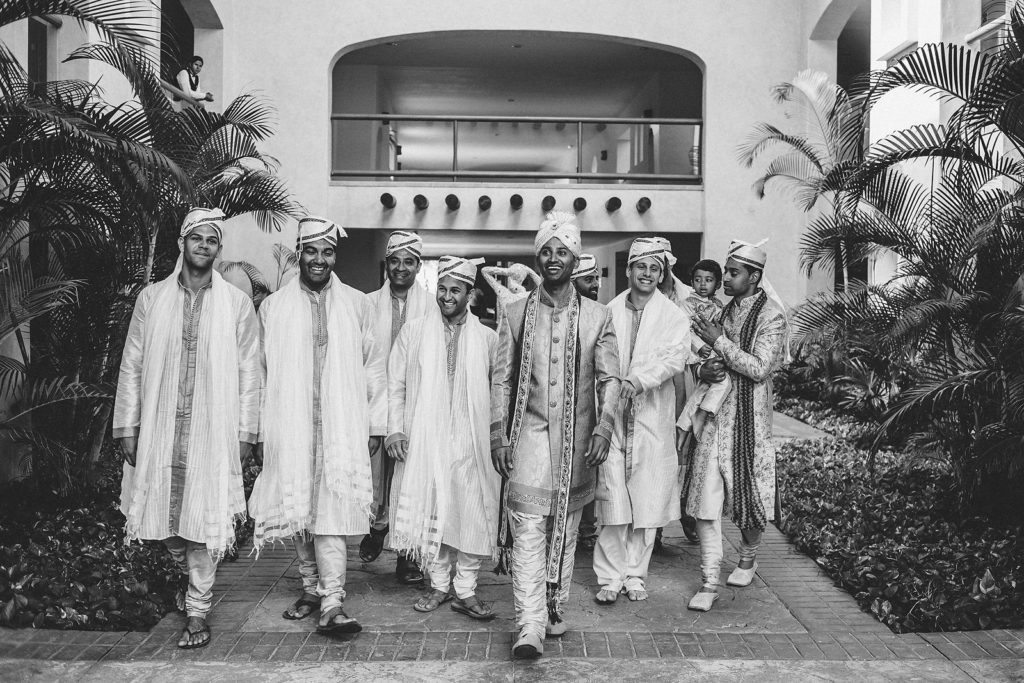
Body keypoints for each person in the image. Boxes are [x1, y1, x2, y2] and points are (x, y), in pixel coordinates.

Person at [113, 207, 260, 649]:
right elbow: (133, 362)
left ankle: (198, 609)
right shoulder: (151, 298)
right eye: (196, 238)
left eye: (211, 240)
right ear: (183, 242)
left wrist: (246, 432)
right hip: (159, 425)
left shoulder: (236, 302)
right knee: (166, 524)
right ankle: (189, 578)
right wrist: (127, 423)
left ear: (219, 249)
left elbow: (250, 370)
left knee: (202, 520)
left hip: (211, 430)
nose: (203, 246)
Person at [491, 212, 620, 659]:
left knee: (563, 527)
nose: (552, 259)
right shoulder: (514, 312)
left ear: (574, 257)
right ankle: (528, 624)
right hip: (527, 436)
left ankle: (553, 605)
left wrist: (604, 427)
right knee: (528, 526)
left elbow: (610, 380)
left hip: (578, 440)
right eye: (545, 251)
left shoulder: (598, 316)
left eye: (561, 252)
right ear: (537, 256)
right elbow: (502, 381)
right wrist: (498, 436)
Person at [249, 216, 386, 634]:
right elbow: (260, 372)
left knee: (331, 512)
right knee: (299, 507)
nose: (320, 259)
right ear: (299, 252)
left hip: (341, 424)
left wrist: (375, 424)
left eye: (327, 251)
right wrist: (259, 430)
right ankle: (311, 587)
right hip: (289, 423)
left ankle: (332, 600)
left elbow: (374, 367)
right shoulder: (273, 307)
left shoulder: (358, 304)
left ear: (334, 256)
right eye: (312, 251)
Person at [387, 256, 500, 621]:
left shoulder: (487, 338)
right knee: (435, 508)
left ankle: (465, 589)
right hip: (426, 436)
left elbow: (500, 392)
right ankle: (438, 584)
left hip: (472, 439)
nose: (447, 296)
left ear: (471, 294)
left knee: (471, 512)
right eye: (443, 288)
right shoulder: (414, 332)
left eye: (456, 290)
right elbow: (396, 385)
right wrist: (395, 428)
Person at [680, 239, 789, 612]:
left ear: (754, 277)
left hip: (749, 424)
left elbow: (759, 368)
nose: (724, 278)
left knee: (750, 497)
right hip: (715, 419)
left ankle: (748, 555)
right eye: (725, 271)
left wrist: (720, 343)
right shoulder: (723, 312)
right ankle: (709, 580)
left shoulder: (772, 316)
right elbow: (712, 357)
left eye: (732, 272)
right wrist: (704, 366)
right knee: (706, 502)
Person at [594, 238, 690, 604]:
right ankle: (609, 577)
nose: (647, 274)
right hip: (613, 417)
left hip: (652, 414)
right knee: (613, 499)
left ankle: (635, 575)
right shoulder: (609, 310)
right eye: (641, 267)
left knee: (647, 502)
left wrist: (637, 379)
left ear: (661, 273)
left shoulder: (674, 316)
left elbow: (675, 359)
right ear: (629, 270)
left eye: (654, 268)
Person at [361, 231, 432, 585]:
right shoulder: (366, 304)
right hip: (375, 403)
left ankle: (408, 556)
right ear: (385, 264)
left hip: (415, 407)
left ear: (419, 266)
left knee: (411, 480)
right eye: (394, 261)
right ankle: (377, 527)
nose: (401, 268)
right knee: (374, 476)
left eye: (408, 261)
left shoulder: (433, 307)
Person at [677, 259, 729, 452]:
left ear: (717, 284)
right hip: (696, 354)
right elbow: (683, 330)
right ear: (691, 282)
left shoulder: (718, 305)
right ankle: (698, 415)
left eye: (708, 280)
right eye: (698, 279)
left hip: (714, 351)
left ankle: (685, 423)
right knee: (719, 383)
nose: (702, 284)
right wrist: (698, 347)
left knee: (709, 387)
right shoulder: (687, 304)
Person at [569, 252, 602, 552]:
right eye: (588, 279)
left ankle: (587, 530)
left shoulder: (601, 314)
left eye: (596, 278)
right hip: (557, 404)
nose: (595, 284)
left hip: (589, 403)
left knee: (587, 464)